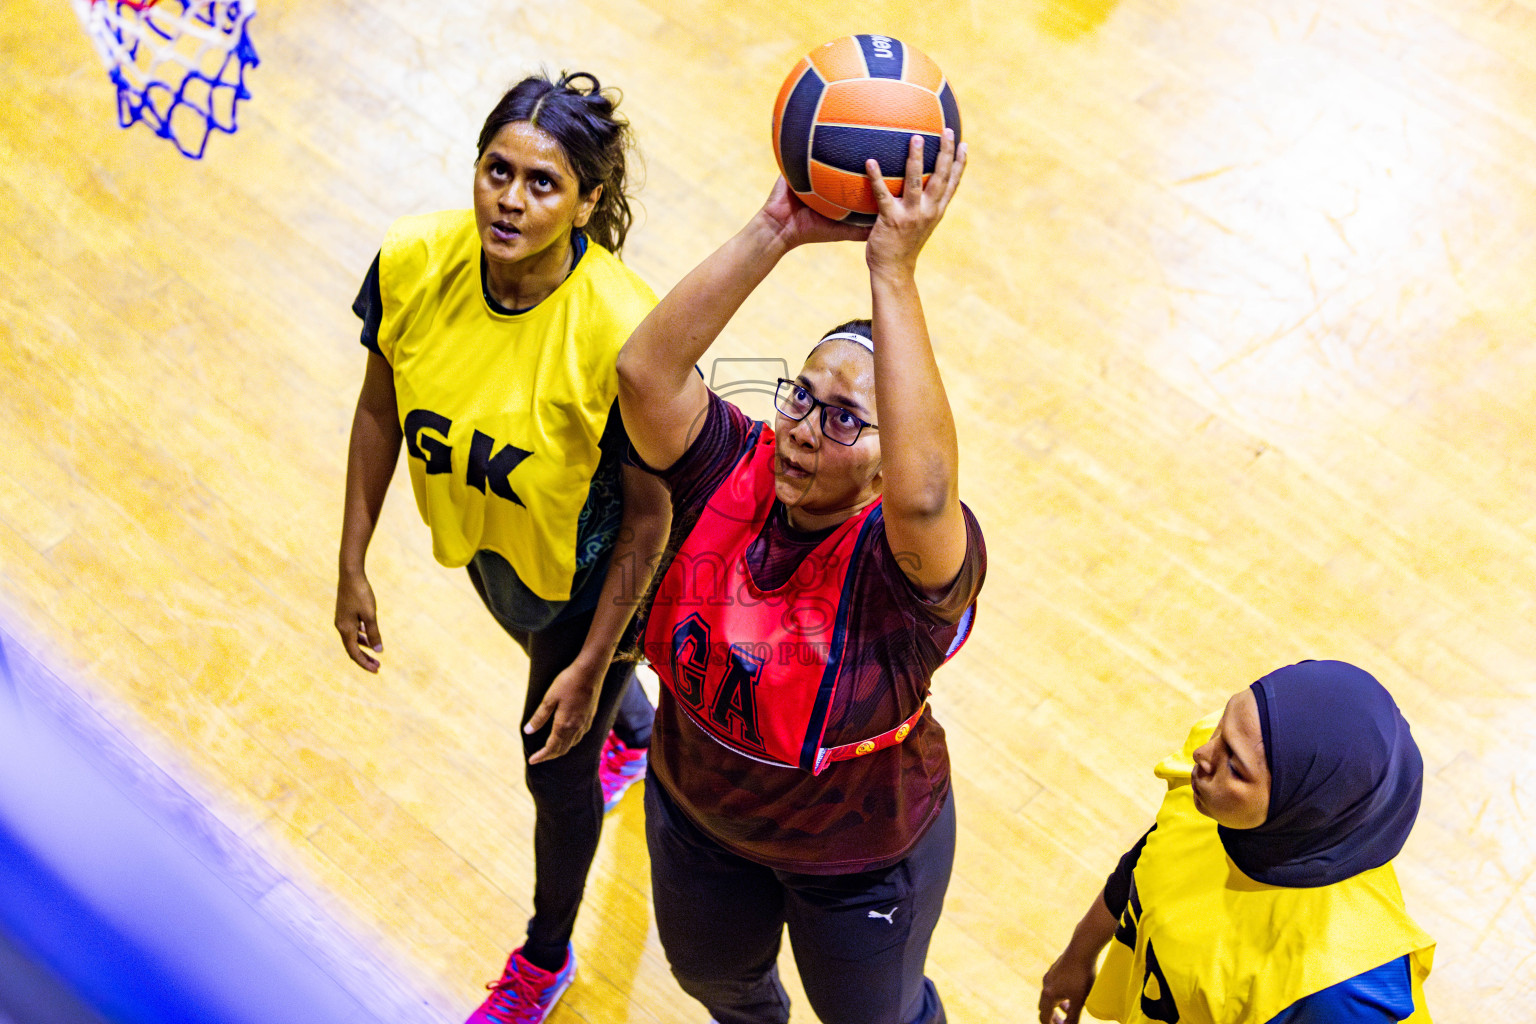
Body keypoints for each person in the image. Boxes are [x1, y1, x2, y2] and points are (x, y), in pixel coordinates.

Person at [616, 129, 982, 1024]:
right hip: (699, 820)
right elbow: (645, 372)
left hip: (857, 861)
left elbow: (929, 499)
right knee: (717, 985)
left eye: (848, 419)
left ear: (887, 468)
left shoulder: (903, 572)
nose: (807, 429)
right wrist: (776, 226)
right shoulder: (728, 468)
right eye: (802, 396)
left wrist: (892, 271)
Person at [334, 71, 670, 1024]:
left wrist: (600, 655)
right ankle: (632, 729)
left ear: (588, 204)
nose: (511, 200)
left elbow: (651, 519)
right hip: (504, 548)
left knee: (551, 766)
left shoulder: (618, 327)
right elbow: (379, 405)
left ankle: (545, 959)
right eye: (497, 171)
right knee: (553, 666)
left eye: (543, 183)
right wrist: (353, 559)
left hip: (603, 576)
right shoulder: (412, 263)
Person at [1039, 660, 1436, 1024]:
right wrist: (1078, 957)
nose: (1202, 753)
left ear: (1300, 811)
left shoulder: (1342, 984)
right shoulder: (1213, 790)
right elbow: (1148, 860)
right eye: (1223, 725)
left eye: (1235, 765)